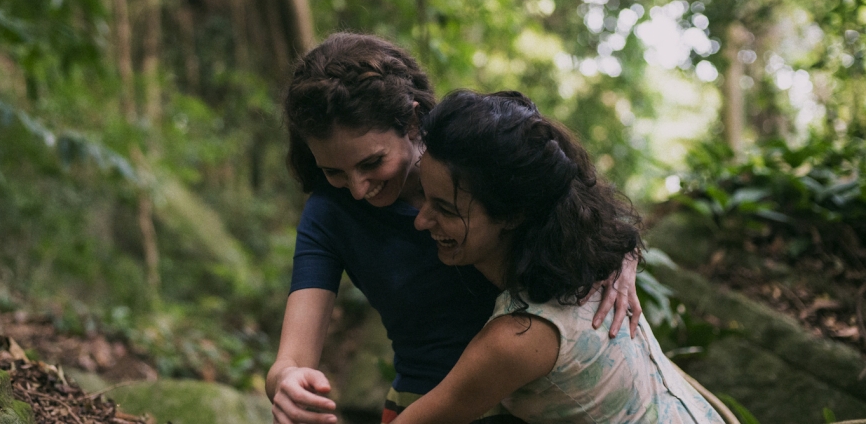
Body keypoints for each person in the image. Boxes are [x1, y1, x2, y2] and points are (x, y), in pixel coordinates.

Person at [266, 33, 643, 424]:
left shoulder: (478, 159)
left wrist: (622, 257)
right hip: (424, 404)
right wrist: (287, 381)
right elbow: (291, 357)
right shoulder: (330, 213)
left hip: (537, 401)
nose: (358, 190)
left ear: (412, 121)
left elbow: (576, 208)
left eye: (372, 163)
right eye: (334, 172)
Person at [393, 89, 726, 423]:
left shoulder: (519, 337)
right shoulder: (587, 259)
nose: (421, 221)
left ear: (512, 214)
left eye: (445, 209)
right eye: (424, 195)